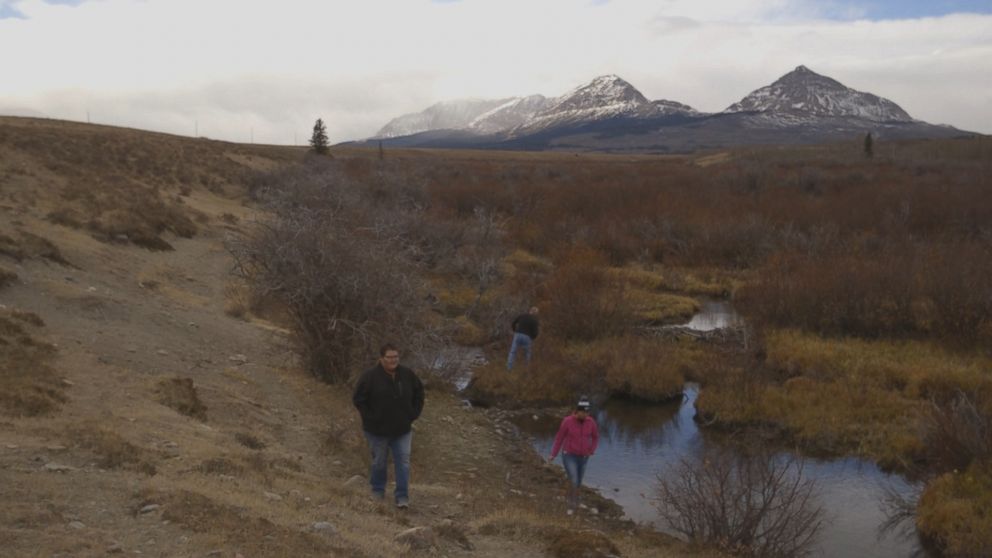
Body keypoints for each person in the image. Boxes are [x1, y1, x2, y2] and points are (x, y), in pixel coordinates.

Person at [352, 343, 424, 508]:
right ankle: (377, 491)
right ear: (381, 358)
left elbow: (419, 392)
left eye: (396, 357)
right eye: (389, 357)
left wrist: (413, 414)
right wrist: (371, 417)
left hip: (402, 430)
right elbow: (358, 399)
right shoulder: (369, 377)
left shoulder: (407, 374)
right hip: (377, 431)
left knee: (403, 462)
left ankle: (402, 496)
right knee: (379, 462)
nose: (393, 360)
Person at [549, 397, 599, 514]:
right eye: (583, 412)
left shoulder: (591, 422)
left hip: (584, 457)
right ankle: (571, 505)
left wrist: (591, 450)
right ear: (577, 411)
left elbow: (596, 437)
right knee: (574, 479)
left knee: (578, 481)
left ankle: (573, 498)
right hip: (569, 455)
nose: (585, 414)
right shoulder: (567, 421)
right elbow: (559, 438)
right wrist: (553, 454)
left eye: (587, 412)